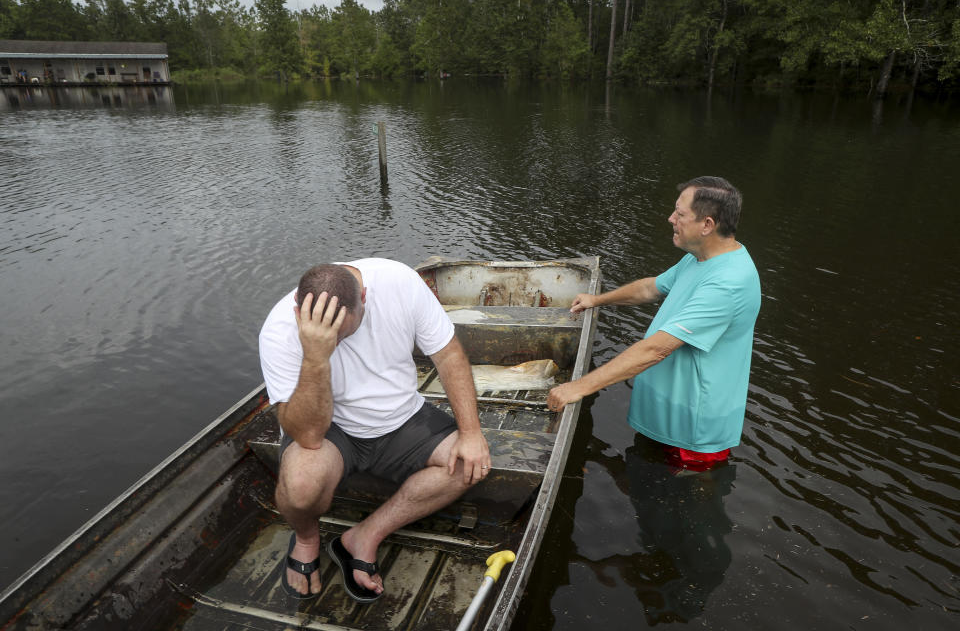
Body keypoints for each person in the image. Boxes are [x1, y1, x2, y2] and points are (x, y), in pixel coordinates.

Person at [259, 258, 490, 602]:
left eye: (344, 331)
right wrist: (316, 357)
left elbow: (448, 356)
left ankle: (364, 536)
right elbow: (308, 436)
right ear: (298, 309)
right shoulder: (279, 330)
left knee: (470, 465)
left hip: (403, 420)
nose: (335, 340)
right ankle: (307, 539)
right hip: (331, 430)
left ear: (364, 296)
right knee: (300, 486)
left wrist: (471, 433)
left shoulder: (400, 283)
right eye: (328, 335)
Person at [547, 176, 761, 470]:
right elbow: (650, 288)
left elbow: (656, 350)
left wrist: (578, 388)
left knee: (681, 504)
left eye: (680, 214)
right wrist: (597, 300)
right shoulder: (701, 256)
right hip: (667, 415)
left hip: (691, 432)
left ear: (707, 225)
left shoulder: (728, 283)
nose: (670, 218)